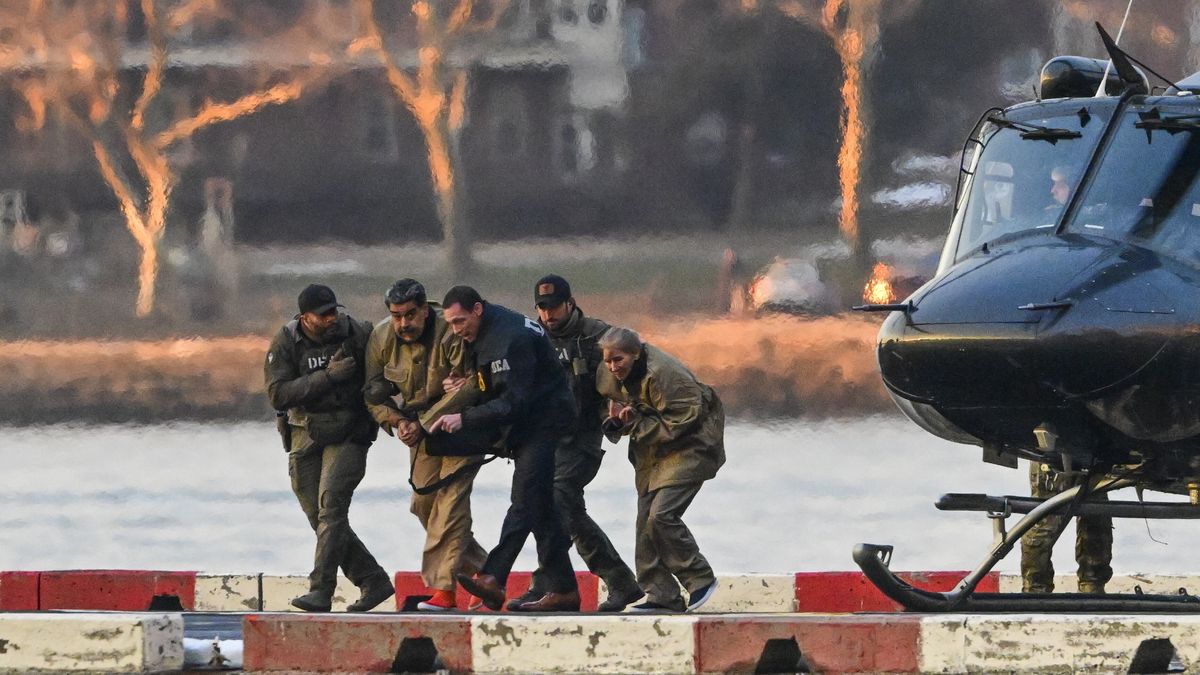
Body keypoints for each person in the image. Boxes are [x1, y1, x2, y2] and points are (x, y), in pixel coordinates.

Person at [432, 285, 581, 612]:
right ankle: (564, 589)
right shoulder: (482, 334)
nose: (456, 330)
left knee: (525, 497)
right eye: (451, 324)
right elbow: (491, 383)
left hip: (544, 420)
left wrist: (465, 417)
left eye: (460, 321)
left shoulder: (510, 338)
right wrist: (463, 386)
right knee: (540, 508)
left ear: (477, 310)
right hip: (526, 422)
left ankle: (493, 577)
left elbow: (514, 401)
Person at [501, 275, 642, 613]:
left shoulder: (597, 336)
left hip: (582, 437)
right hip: (543, 439)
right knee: (540, 502)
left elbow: (632, 366)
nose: (548, 315)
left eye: (554, 307)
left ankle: (616, 580)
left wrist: (622, 403)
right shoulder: (528, 338)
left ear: (569, 303)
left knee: (560, 498)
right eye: (542, 308)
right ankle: (549, 584)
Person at [264, 284, 395, 612]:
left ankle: (321, 590)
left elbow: (384, 373)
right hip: (304, 433)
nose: (331, 318)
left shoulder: (358, 333)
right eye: (323, 315)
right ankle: (372, 579)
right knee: (317, 516)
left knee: (332, 508)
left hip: (349, 433)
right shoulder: (286, 341)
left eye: (334, 311)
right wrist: (328, 376)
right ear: (305, 317)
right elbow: (278, 394)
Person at [363, 278, 489, 611]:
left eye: (409, 315)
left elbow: (470, 387)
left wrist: (423, 422)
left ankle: (443, 592)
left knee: (451, 504)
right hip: (419, 433)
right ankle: (488, 572)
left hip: (462, 427)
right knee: (424, 505)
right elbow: (373, 395)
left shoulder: (450, 332)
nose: (403, 323)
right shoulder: (381, 338)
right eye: (396, 316)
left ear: (424, 309)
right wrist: (397, 421)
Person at [596, 327, 723, 613]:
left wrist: (637, 423)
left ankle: (699, 578)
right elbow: (609, 405)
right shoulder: (607, 374)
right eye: (608, 361)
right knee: (645, 522)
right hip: (652, 451)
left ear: (636, 354)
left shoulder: (665, 374)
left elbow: (685, 419)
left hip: (693, 444)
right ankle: (661, 594)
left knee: (662, 515)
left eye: (619, 360)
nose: (613, 367)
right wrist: (616, 421)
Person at [1020, 461, 1113, 594]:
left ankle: (1092, 586)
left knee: (1096, 519)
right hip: (1054, 455)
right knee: (1043, 523)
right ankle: (1035, 590)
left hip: (1096, 454)